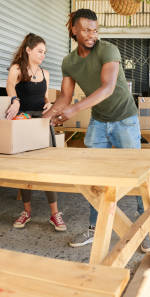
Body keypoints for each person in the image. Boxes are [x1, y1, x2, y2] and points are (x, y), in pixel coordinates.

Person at [44, 9, 150, 252]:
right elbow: (65, 97)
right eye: (86, 30)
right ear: (73, 29)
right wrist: (46, 117)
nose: (92, 34)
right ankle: (95, 228)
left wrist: (73, 110)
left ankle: (144, 228)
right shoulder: (69, 62)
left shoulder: (108, 50)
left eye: (95, 29)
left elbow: (108, 88)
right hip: (99, 121)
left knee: (136, 176)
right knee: (94, 177)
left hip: (125, 119)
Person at [4, 33, 66, 232]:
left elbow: (45, 97)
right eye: (40, 51)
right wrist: (15, 100)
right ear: (28, 50)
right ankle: (26, 212)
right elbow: (10, 86)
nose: (43, 55)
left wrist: (48, 103)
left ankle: (55, 214)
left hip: (41, 122)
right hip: (24, 122)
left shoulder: (45, 74)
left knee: (49, 169)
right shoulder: (16, 69)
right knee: (26, 170)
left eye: (45, 52)